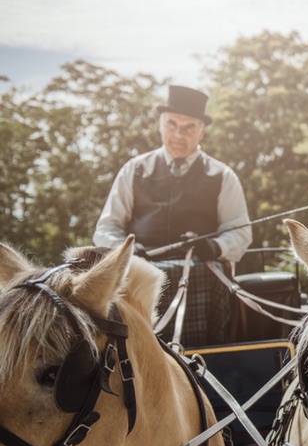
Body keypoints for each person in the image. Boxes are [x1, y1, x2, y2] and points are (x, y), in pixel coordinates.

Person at [93, 85, 252, 346]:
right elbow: (107, 228)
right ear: (160, 124)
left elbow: (241, 232)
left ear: (202, 130)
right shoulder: (133, 170)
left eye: (189, 127)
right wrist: (126, 251)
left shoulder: (222, 175)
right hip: (139, 275)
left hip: (201, 279)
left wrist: (213, 246)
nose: (179, 134)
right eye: (172, 124)